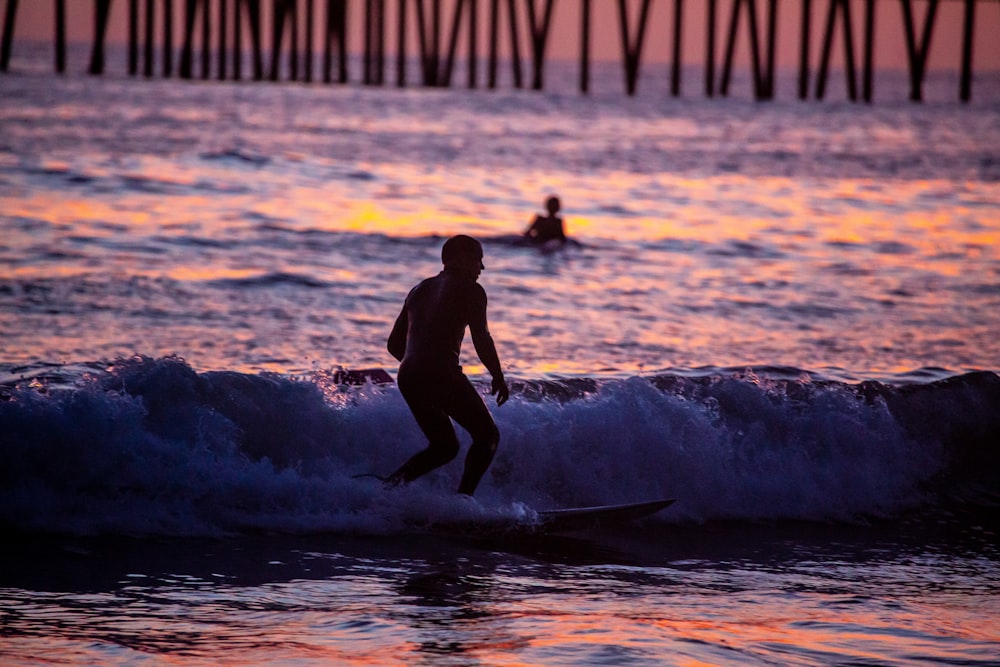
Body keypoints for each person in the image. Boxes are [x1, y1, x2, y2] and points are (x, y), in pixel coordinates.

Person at [385, 235, 510, 496]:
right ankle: (463, 503)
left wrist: (420, 365)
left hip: (408, 375)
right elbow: (482, 337)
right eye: (479, 260)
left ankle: (387, 489)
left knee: (444, 447)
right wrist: (497, 375)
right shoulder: (472, 290)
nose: (482, 268)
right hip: (441, 371)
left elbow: (394, 346)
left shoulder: (418, 289)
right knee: (488, 436)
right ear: (462, 258)